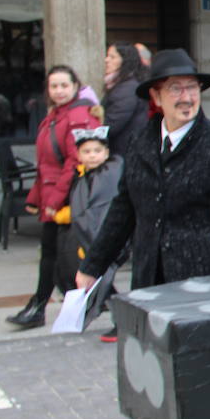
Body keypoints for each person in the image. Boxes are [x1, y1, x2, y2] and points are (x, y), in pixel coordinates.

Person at [76, 49, 210, 419]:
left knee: (202, 365)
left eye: (192, 87)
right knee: (166, 362)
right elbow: (124, 209)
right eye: (175, 88)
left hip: (203, 275)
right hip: (154, 273)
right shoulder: (141, 143)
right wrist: (94, 266)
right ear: (155, 96)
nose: (186, 96)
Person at [6, 66, 101, 330]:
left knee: (68, 255)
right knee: (57, 253)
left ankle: (43, 305)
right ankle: (40, 305)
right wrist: (37, 197)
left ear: (74, 86)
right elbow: (46, 163)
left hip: (71, 198)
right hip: (56, 196)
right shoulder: (55, 116)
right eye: (53, 86)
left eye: (63, 85)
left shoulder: (78, 115)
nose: (58, 91)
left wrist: (55, 199)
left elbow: (75, 160)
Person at [65, 126, 124, 343]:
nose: (92, 155)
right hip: (96, 239)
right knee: (103, 281)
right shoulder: (85, 178)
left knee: (104, 277)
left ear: (106, 153)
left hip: (109, 238)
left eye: (97, 150)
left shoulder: (109, 174)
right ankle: (121, 319)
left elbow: (103, 209)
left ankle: (122, 322)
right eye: (87, 151)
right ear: (79, 155)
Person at [101, 43, 148, 157]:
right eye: (107, 56)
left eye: (112, 57)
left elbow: (111, 125)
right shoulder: (121, 85)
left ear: (125, 61)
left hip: (124, 153)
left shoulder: (127, 88)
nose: (106, 60)